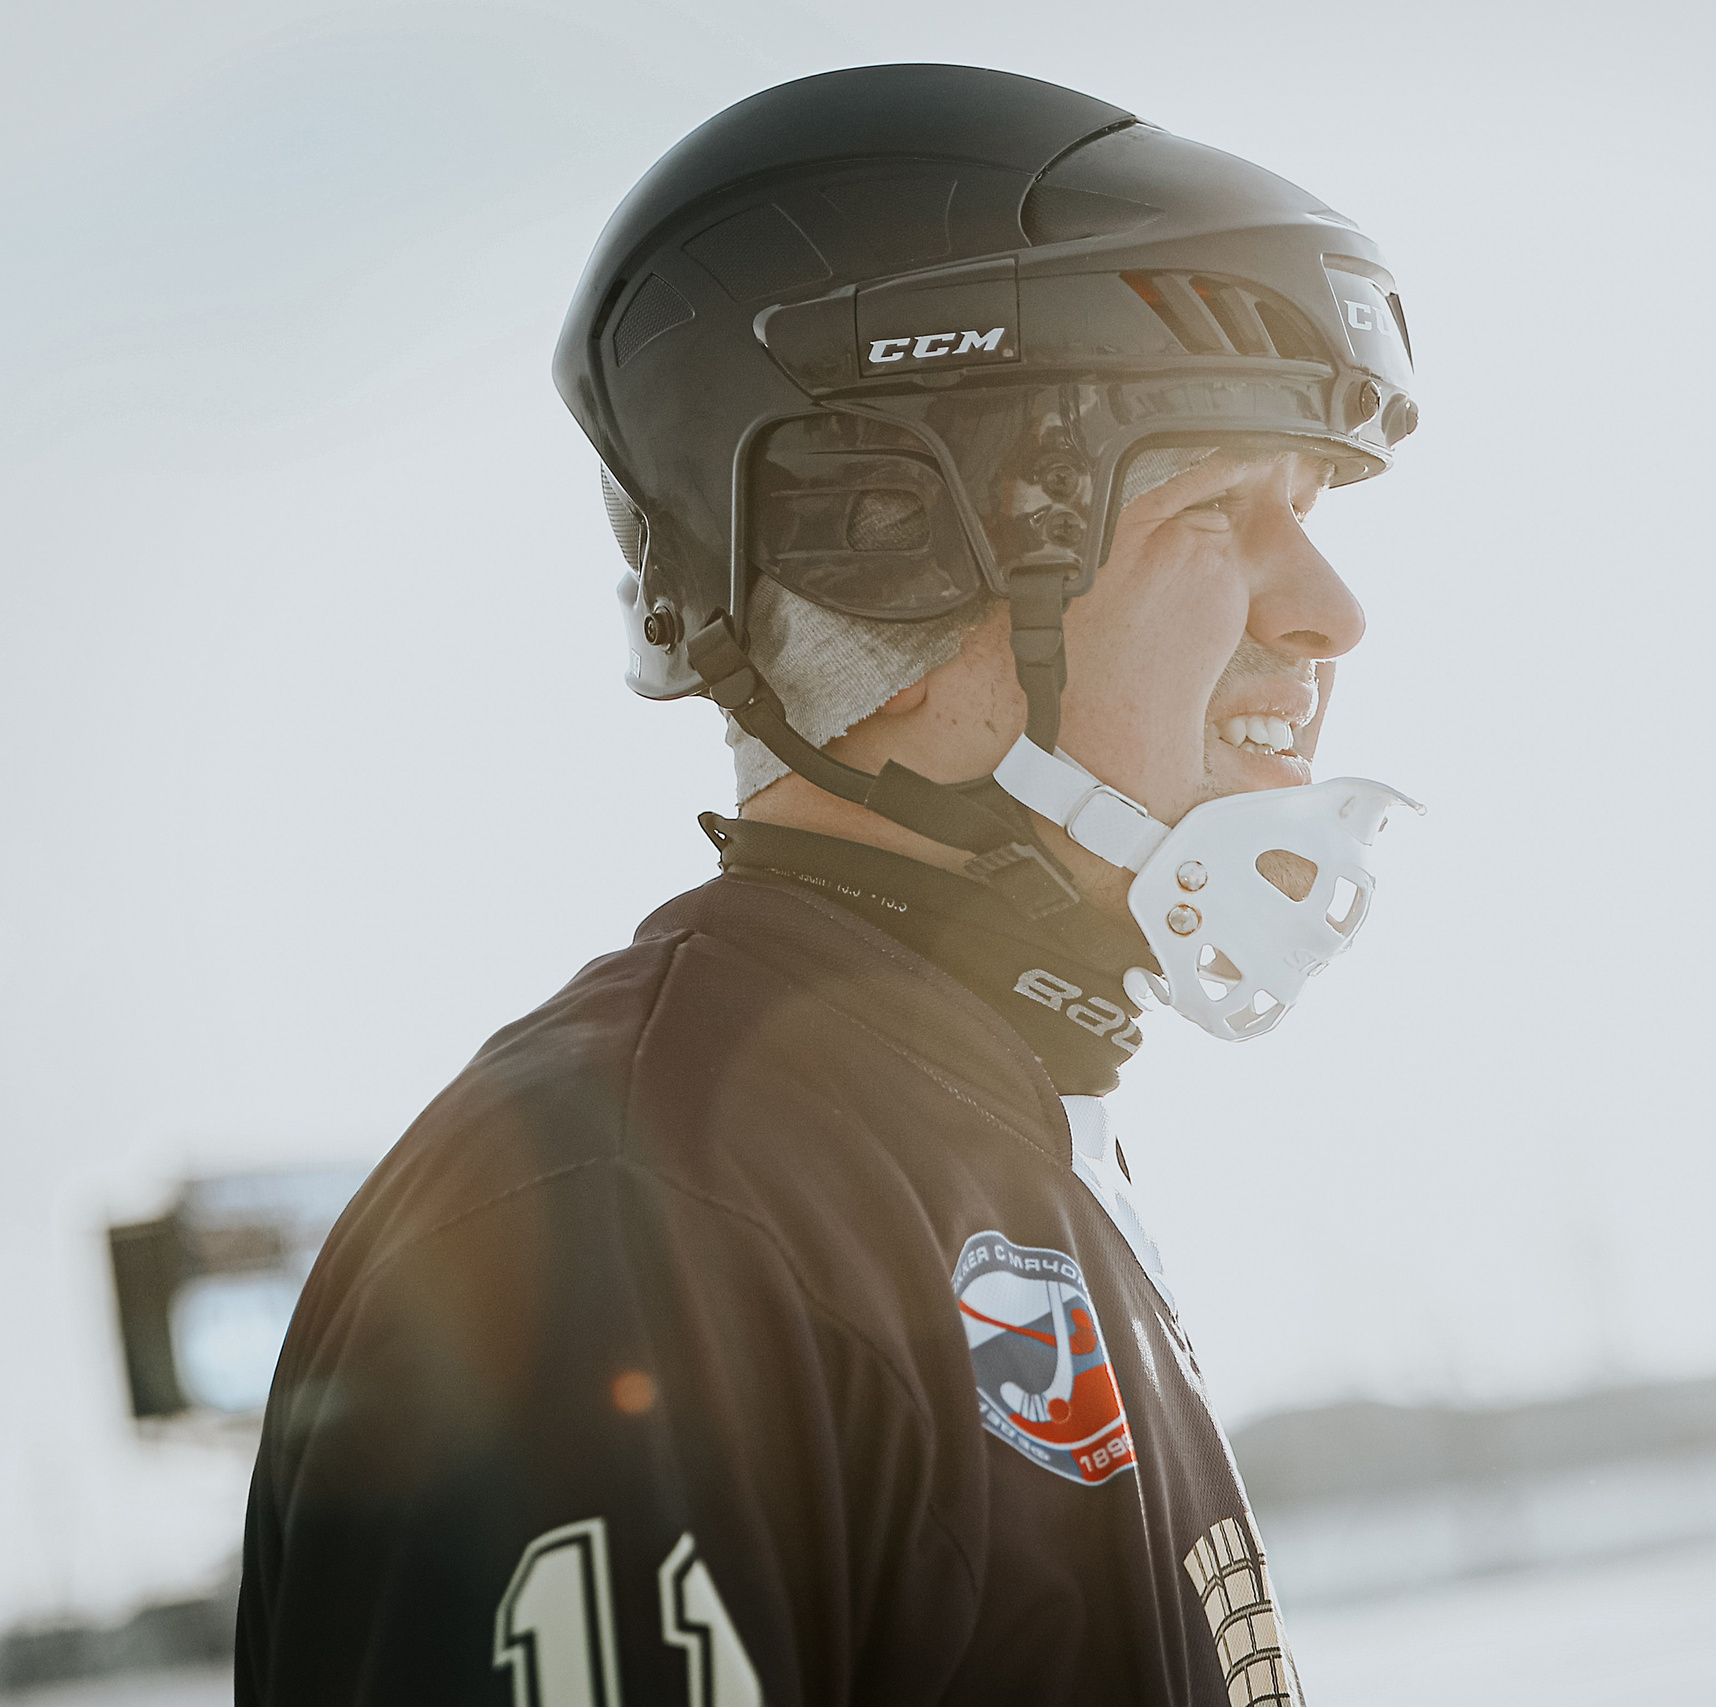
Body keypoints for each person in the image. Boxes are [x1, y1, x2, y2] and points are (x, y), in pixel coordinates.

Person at [234, 62, 1422, 1707]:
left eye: (1306, 511)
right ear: (888, 559)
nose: (1331, 612)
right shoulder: (635, 1218)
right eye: (1218, 509)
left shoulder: (980, 1138)